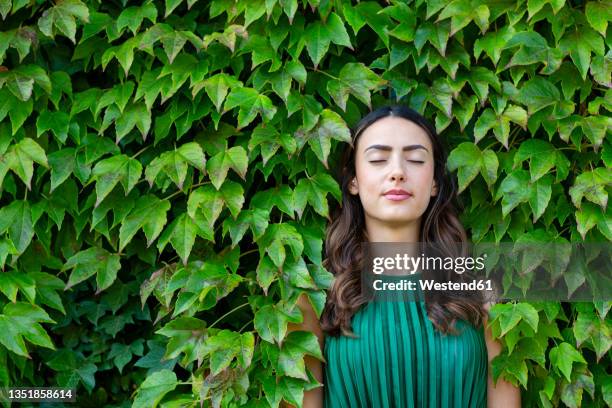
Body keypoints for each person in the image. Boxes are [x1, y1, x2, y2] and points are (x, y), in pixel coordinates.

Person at [286, 105, 521, 407]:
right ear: (353, 180)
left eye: (415, 159)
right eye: (378, 159)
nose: (397, 172)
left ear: (434, 181)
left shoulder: (480, 290)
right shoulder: (316, 296)